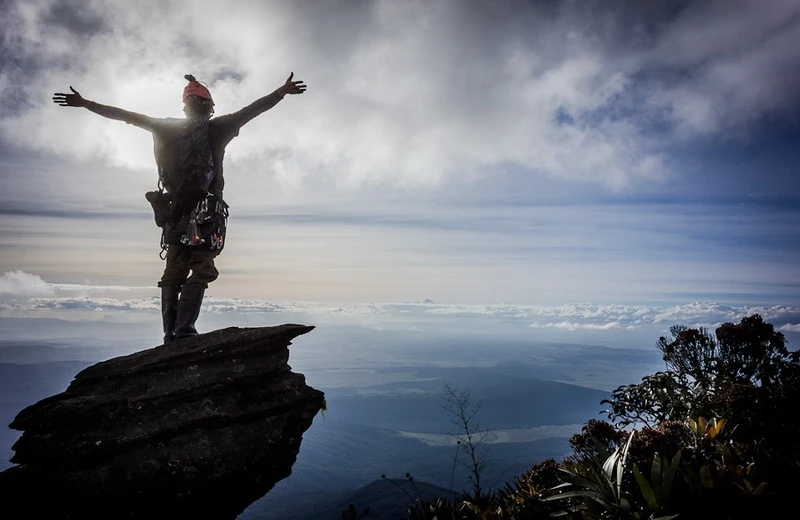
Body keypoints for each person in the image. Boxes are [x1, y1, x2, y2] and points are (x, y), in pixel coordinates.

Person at [53, 73, 307, 344]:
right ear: (209, 106)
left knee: (173, 271)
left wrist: (86, 103)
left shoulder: (164, 127)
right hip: (207, 215)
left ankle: (170, 334)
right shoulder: (218, 127)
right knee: (202, 268)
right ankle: (185, 330)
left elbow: (125, 115)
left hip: (173, 213)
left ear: (185, 105)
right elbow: (253, 110)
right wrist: (281, 91)